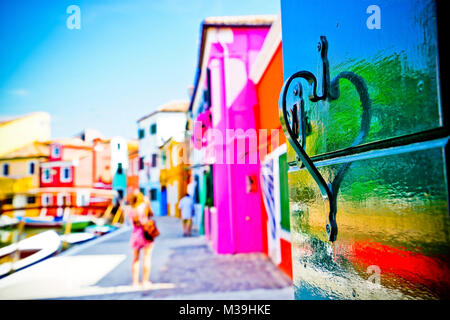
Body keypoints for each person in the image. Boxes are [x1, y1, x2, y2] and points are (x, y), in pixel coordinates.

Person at [126, 190, 154, 288]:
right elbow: (151, 214)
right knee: (146, 258)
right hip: (146, 234)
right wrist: (148, 203)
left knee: (135, 259)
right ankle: (145, 281)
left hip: (135, 235)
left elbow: (130, 221)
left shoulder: (130, 209)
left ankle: (135, 282)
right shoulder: (144, 207)